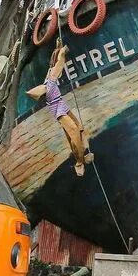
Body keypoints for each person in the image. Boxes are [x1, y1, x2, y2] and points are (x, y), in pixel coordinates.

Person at [25, 42, 94, 177]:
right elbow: (58, 64)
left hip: (63, 105)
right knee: (73, 133)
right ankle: (79, 161)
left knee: (78, 129)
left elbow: (54, 64)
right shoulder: (49, 84)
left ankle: (84, 152)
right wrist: (62, 53)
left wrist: (58, 48)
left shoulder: (48, 80)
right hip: (59, 111)